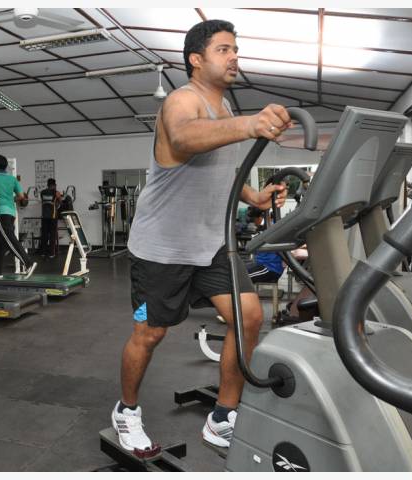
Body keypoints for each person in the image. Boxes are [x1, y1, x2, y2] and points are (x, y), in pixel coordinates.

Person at [110, 19, 291, 456]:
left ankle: (222, 417)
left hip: (211, 246)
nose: (234, 57)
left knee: (249, 318)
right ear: (196, 59)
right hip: (162, 249)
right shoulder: (181, 101)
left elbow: (224, 167)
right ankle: (126, 411)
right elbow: (184, 137)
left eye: (235, 49)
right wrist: (251, 125)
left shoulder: (225, 110)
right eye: (223, 50)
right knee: (149, 334)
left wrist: (255, 197)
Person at [0, 155, 38, 279]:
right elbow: (21, 197)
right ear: (5, 166)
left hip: (0, 213)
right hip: (11, 213)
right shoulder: (12, 179)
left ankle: (28, 263)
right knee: (0, 242)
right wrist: (10, 199)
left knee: (9, 239)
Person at [39, 178, 62, 258]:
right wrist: (59, 198)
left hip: (44, 216)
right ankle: (52, 253)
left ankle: (43, 252)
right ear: (54, 185)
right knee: (52, 235)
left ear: (47, 185)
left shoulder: (42, 192)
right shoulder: (56, 192)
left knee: (44, 235)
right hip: (53, 216)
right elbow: (60, 202)